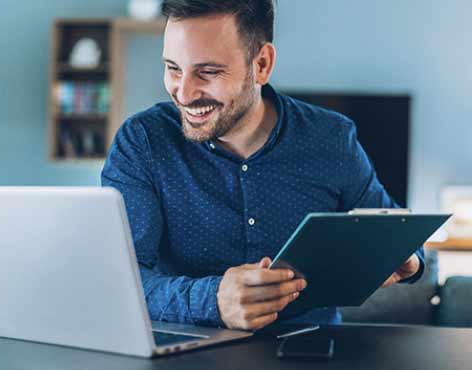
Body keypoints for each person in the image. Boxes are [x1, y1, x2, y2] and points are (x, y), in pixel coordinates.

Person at [101, 0, 423, 331]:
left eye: (208, 72)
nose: (183, 92)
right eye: (173, 68)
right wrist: (210, 300)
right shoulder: (143, 142)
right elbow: (120, 278)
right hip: (183, 355)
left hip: (310, 351)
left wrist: (409, 259)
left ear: (262, 64)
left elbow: (400, 232)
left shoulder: (332, 139)